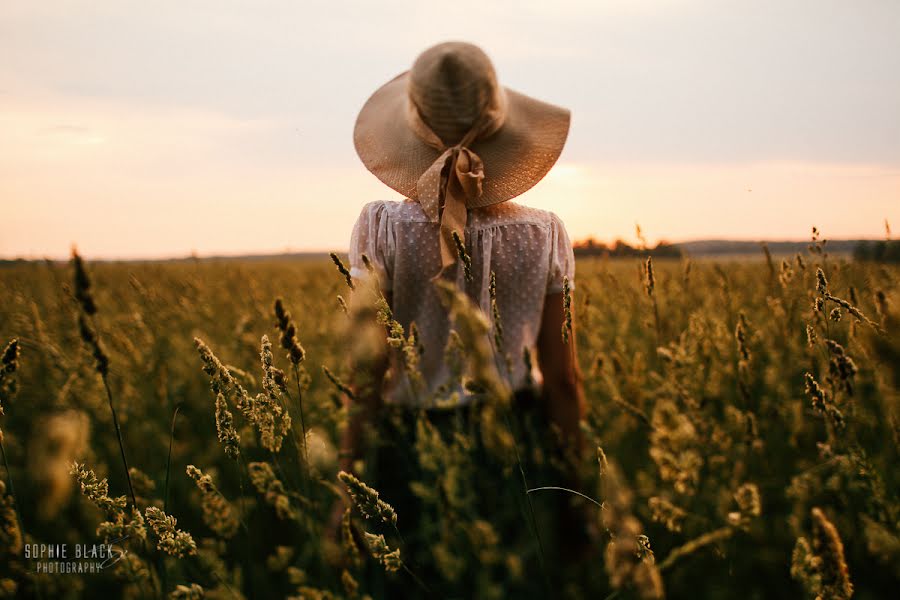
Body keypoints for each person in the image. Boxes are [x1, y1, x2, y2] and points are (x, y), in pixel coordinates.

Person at [328, 41, 588, 597]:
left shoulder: (383, 229)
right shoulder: (545, 234)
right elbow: (563, 380)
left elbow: (367, 377)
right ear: (501, 129)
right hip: (517, 441)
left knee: (419, 582)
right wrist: (577, 498)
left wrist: (343, 495)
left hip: (409, 444)